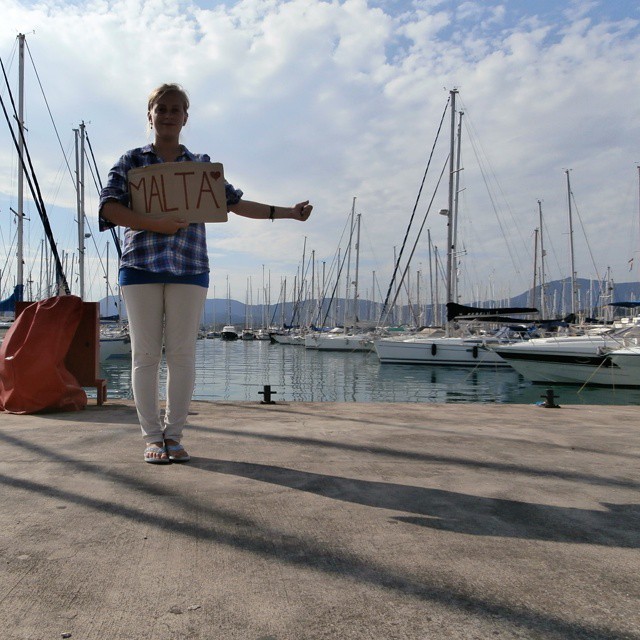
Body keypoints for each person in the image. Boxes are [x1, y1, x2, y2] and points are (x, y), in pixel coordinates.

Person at [99, 83, 312, 464]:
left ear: (186, 116)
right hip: (140, 266)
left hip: (190, 267)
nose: (168, 114)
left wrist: (288, 213)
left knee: (182, 355)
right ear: (150, 114)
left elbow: (236, 203)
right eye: (160, 108)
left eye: (175, 108)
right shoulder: (131, 160)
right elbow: (109, 208)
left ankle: (175, 435)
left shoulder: (201, 166)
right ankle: (151, 436)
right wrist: (156, 224)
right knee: (145, 356)